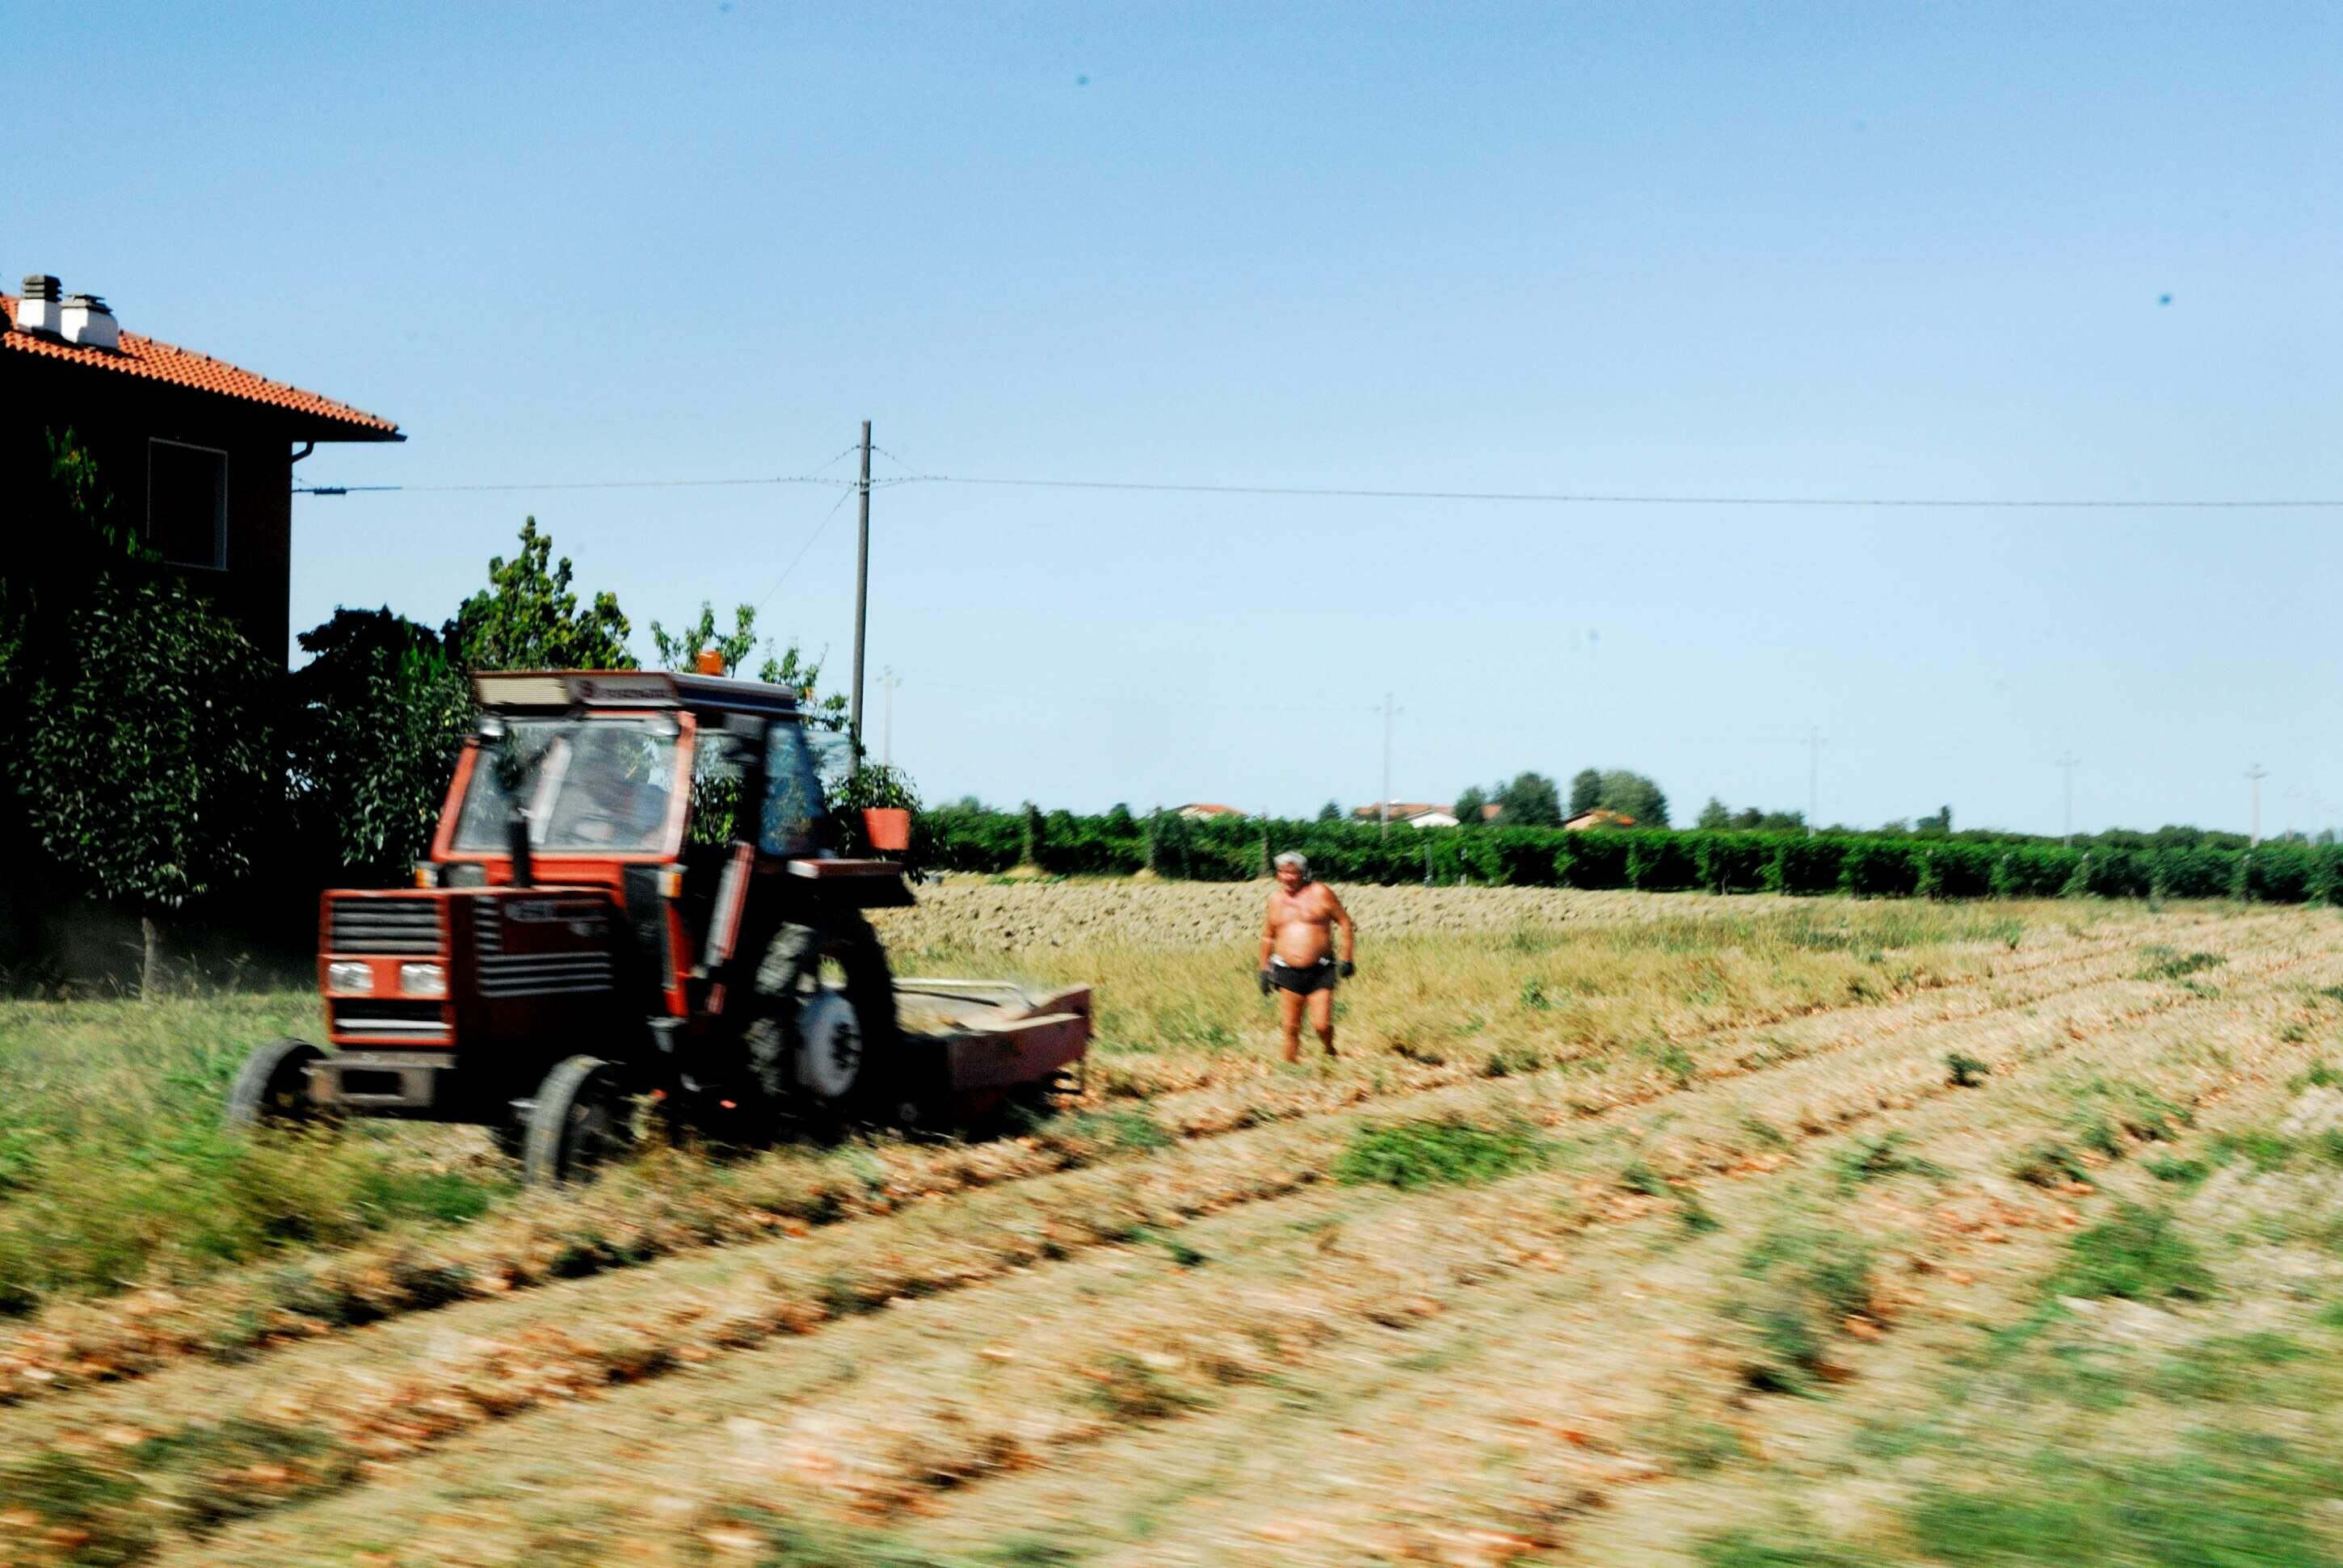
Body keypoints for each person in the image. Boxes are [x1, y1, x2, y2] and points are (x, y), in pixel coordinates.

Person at [1257, 851, 1357, 1061]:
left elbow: (1345, 923)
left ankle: (1329, 1050)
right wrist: (1264, 970)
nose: (1287, 877)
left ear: (1303, 873)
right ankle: (1290, 1070)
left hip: (1320, 970)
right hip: (1287, 970)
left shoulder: (1320, 892)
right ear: (1278, 874)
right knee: (1291, 1027)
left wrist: (1347, 958)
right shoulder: (1275, 900)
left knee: (1321, 1024)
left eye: (1292, 873)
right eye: (1283, 872)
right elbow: (1268, 936)